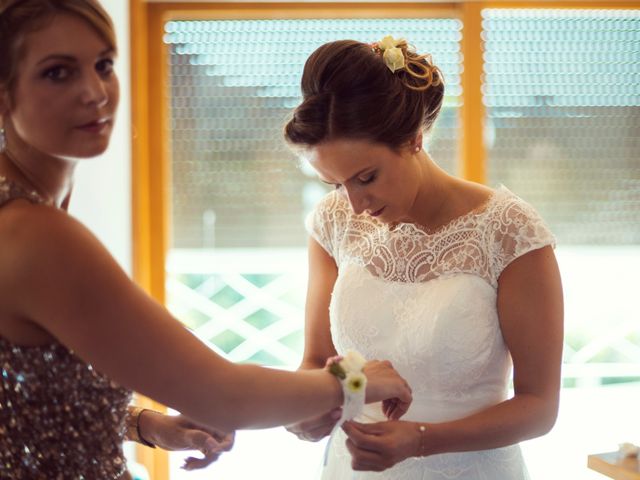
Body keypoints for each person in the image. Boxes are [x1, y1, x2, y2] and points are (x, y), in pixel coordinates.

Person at [0, 2, 413, 478]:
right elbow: (226, 395)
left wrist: (148, 427)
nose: (94, 92)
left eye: (104, 65)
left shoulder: (30, 215)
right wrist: (357, 380)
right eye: (57, 73)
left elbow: (31, 401)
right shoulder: (34, 234)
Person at [283, 37, 564, 479]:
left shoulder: (510, 231)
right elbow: (318, 361)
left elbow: (539, 407)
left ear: (413, 139)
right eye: (336, 185)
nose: (355, 204)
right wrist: (307, 409)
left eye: (366, 177)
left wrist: (421, 439)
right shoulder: (333, 222)